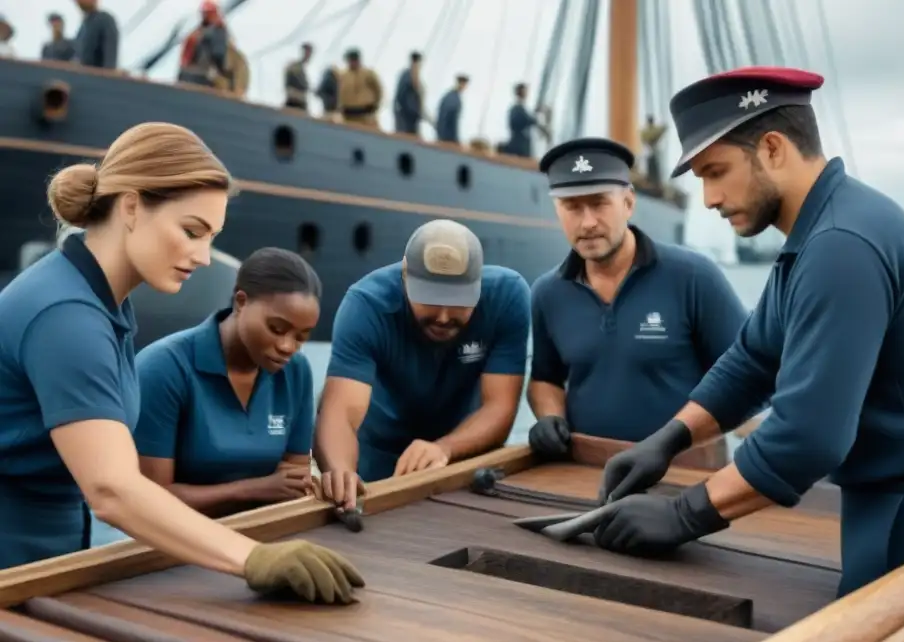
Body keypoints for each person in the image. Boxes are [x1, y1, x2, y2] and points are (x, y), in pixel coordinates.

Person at [590, 66, 904, 642]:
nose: (710, 197)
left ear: (774, 148)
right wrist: (670, 437)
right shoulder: (815, 238)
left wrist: (685, 514)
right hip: (894, 505)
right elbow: (753, 359)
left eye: (717, 172)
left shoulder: (842, 245)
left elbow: (811, 434)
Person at [0, 121, 362, 605]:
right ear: (131, 206)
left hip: (52, 552)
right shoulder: (67, 315)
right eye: (192, 231)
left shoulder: (100, 301)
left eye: (211, 237)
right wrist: (252, 558)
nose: (204, 256)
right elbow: (111, 488)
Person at [527, 137, 752, 460]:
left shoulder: (693, 277)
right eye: (572, 207)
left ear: (628, 203)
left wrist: (671, 443)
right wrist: (550, 418)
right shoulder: (547, 293)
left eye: (600, 203)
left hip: (686, 470)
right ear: (557, 210)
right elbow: (545, 379)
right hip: (585, 470)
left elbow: (747, 378)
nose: (587, 222)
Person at [315, 219, 530, 510]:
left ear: (479, 286)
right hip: (376, 459)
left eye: (458, 301)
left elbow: (499, 406)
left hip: (460, 457)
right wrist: (341, 472)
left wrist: (445, 449)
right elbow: (340, 413)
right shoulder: (365, 305)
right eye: (429, 299)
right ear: (405, 278)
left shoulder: (508, 297)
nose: (443, 316)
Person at [134, 247, 321, 519]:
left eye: (301, 337)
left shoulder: (296, 371)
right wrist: (250, 490)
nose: (287, 346)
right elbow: (149, 501)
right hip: (175, 544)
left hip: (264, 534)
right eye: (277, 329)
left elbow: (291, 483)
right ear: (241, 301)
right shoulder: (162, 368)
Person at [73, 0, 119, 70]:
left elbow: (110, 61)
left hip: (97, 78)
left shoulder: (105, 20)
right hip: (81, 77)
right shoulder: (83, 28)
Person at [393, 51, 425, 136]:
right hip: (405, 118)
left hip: (412, 119)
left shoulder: (415, 79)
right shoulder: (406, 77)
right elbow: (401, 98)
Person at [436, 74, 469, 144]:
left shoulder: (448, 96)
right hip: (447, 138)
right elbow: (453, 122)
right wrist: (456, 140)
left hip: (442, 135)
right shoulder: (454, 99)